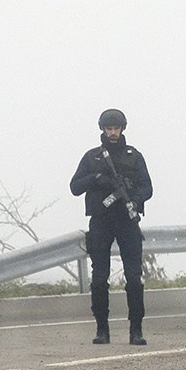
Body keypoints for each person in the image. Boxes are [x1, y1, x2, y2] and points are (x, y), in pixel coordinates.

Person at [69, 107, 153, 344]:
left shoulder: (133, 156)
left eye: (116, 128)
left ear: (123, 129)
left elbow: (147, 187)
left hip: (126, 221)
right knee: (99, 278)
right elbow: (75, 187)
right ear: (103, 129)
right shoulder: (92, 157)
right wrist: (96, 178)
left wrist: (134, 200)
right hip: (101, 221)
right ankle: (102, 330)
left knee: (134, 278)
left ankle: (136, 330)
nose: (113, 132)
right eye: (109, 128)